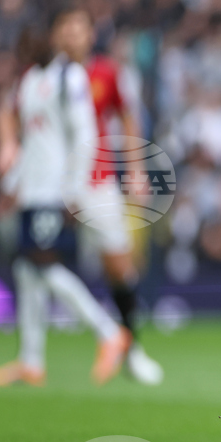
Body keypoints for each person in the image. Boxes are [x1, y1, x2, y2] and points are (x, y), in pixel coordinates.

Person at [0, 10, 128, 388]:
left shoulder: (70, 76)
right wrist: (13, 185)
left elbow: (85, 134)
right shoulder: (30, 80)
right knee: (24, 270)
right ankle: (30, 361)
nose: (25, 45)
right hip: (32, 190)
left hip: (54, 189)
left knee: (41, 266)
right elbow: (31, 142)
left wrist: (75, 190)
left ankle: (109, 333)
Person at [82, 49, 164, 385]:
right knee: (34, 264)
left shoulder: (105, 72)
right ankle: (31, 358)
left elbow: (127, 115)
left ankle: (130, 348)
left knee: (119, 266)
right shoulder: (37, 77)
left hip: (95, 180)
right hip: (48, 181)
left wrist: (134, 168)